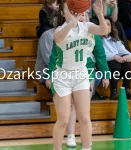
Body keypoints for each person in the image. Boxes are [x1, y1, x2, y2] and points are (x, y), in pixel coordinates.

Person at [46, 0, 109, 149]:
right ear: (62, 13)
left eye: (76, 10)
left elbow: (104, 31)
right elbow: (59, 38)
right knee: (63, 119)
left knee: (85, 117)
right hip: (62, 77)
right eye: (70, 10)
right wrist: (71, 23)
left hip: (81, 75)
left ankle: (87, 148)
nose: (75, 13)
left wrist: (100, 15)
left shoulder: (86, 27)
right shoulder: (59, 31)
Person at [65, 12, 110, 147]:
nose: (81, 17)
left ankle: (86, 139)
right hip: (69, 72)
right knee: (72, 106)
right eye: (78, 15)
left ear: (87, 18)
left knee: (84, 109)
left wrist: (106, 74)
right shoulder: (66, 32)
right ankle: (71, 136)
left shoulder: (94, 35)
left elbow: (101, 56)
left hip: (87, 72)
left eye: (84, 15)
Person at [102, 16, 131, 100]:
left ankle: (126, 89)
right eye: (104, 24)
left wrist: (128, 56)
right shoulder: (97, 39)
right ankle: (113, 92)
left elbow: (124, 51)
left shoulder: (114, 39)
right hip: (104, 65)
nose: (107, 26)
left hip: (116, 65)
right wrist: (114, 57)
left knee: (127, 63)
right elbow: (100, 56)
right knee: (115, 63)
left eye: (109, 24)